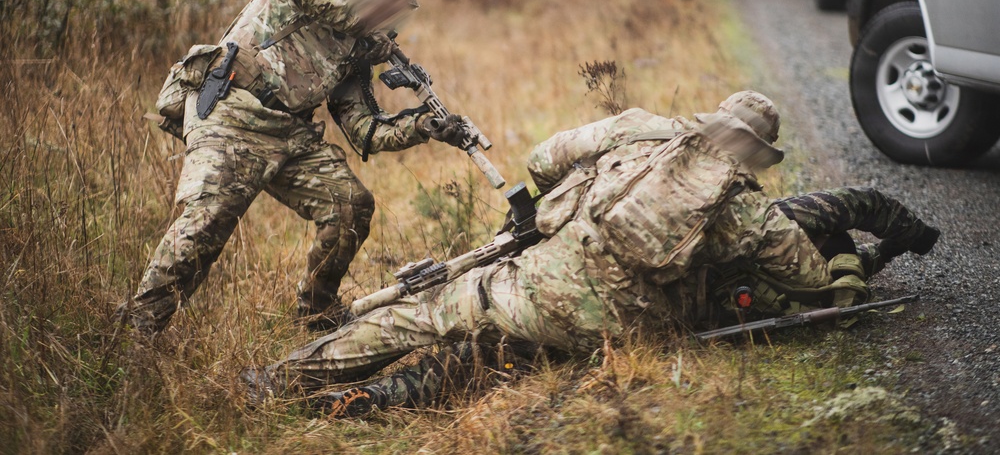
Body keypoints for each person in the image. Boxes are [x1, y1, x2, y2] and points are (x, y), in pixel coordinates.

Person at [244, 91, 939, 415]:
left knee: (427, 310)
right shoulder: (749, 208)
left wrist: (563, 203)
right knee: (506, 355)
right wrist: (854, 268)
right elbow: (814, 286)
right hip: (620, 327)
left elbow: (544, 158)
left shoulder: (640, 130)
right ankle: (367, 400)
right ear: (755, 152)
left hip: (535, 278)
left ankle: (279, 382)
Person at [123, 0, 466, 335]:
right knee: (208, 222)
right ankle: (138, 328)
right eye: (387, 2)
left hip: (289, 132)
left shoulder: (358, 45)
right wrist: (372, 38)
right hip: (232, 112)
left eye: (396, 8)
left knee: (351, 205)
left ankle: (316, 311)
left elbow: (363, 129)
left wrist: (423, 127)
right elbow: (342, 13)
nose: (389, 14)